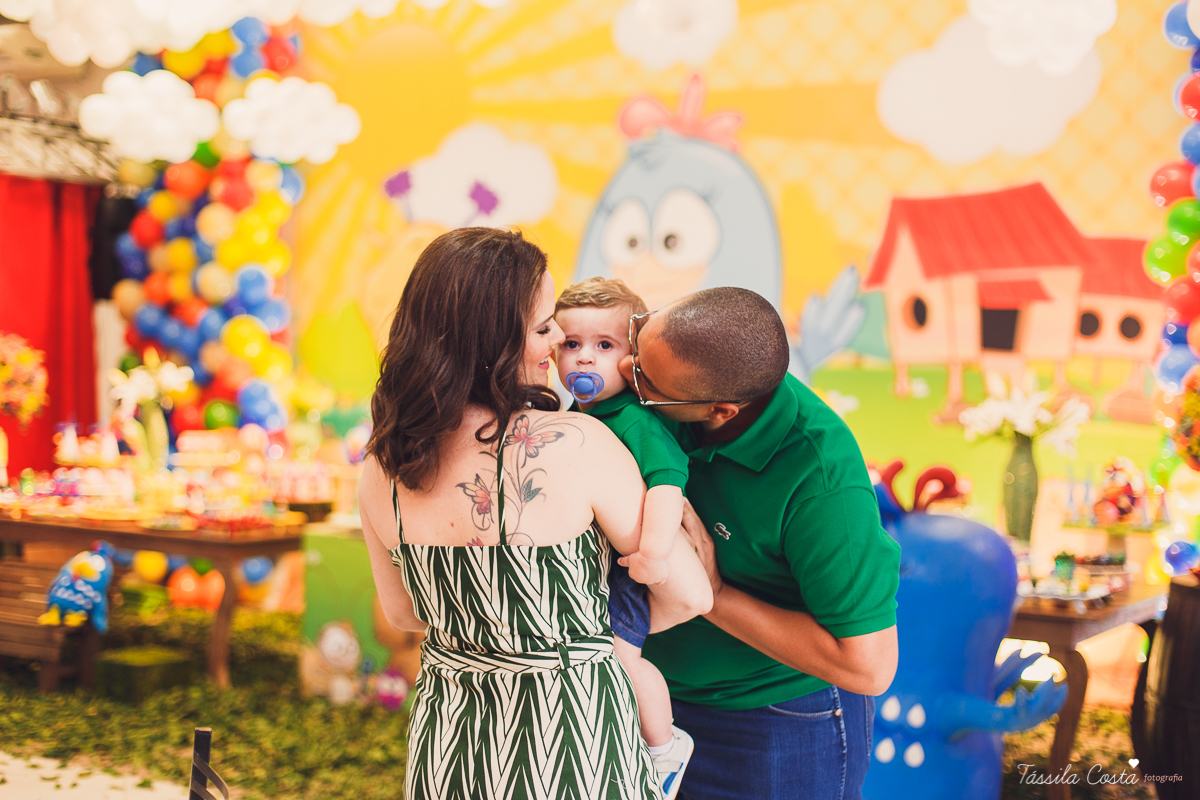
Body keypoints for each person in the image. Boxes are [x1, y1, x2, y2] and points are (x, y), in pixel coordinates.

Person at [358, 227, 712, 800]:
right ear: (496, 338)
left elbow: (403, 614)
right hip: (574, 746)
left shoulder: (382, 466)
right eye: (545, 326)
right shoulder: (581, 443)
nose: (556, 345)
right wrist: (585, 641)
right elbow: (691, 594)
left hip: (450, 747)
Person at [623, 287, 902, 800]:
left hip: (771, 724)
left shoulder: (821, 481)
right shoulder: (674, 392)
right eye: (637, 340)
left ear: (720, 411)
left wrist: (714, 593)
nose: (623, 368)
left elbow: (869, 665)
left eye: (644, 379)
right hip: (651, 704)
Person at [554, 277, 694, 798]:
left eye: (604, 346)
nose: (584, 359)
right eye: (572, 345)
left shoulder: (632, 419)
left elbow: (667, 482)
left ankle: (662, 747)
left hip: (629, 568)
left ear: (632, 359)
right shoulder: (576, 416)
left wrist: (654, 553)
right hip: (596, 566)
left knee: (624, 660)